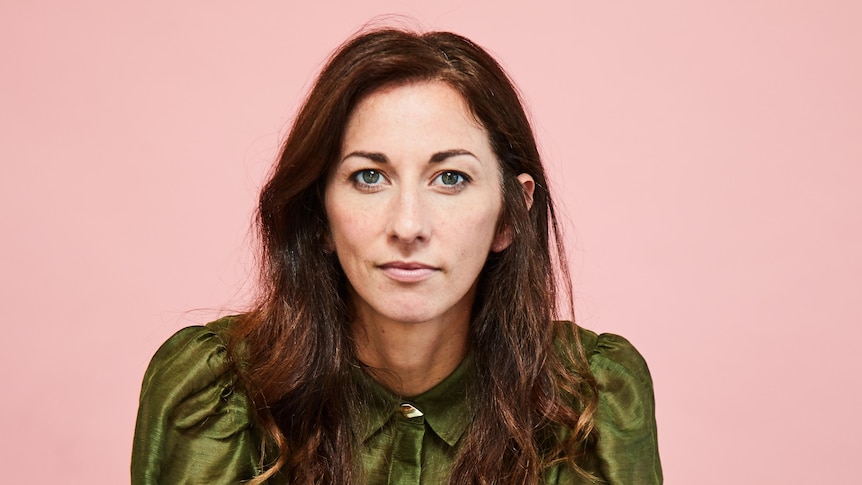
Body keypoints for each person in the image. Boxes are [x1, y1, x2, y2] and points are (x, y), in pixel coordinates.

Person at [131, 28, 661, 484]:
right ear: (320, 214)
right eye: (369, 177)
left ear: (509, 216)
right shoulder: (217, 396)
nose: (408, 226)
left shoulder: (593, 401)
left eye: (450, 178)